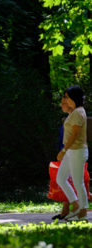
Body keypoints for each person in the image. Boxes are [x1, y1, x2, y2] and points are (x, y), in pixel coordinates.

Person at [56, 85, 89, 222]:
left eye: (66, 97)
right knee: (61, 179)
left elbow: (75, 134)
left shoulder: (77, 112)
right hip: (72, 151)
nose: (65, 99)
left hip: (76, 150)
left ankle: (83, 213)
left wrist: (63, 151)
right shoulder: (75, 111)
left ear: (73, 98)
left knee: (78, 182)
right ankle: (76, 206)